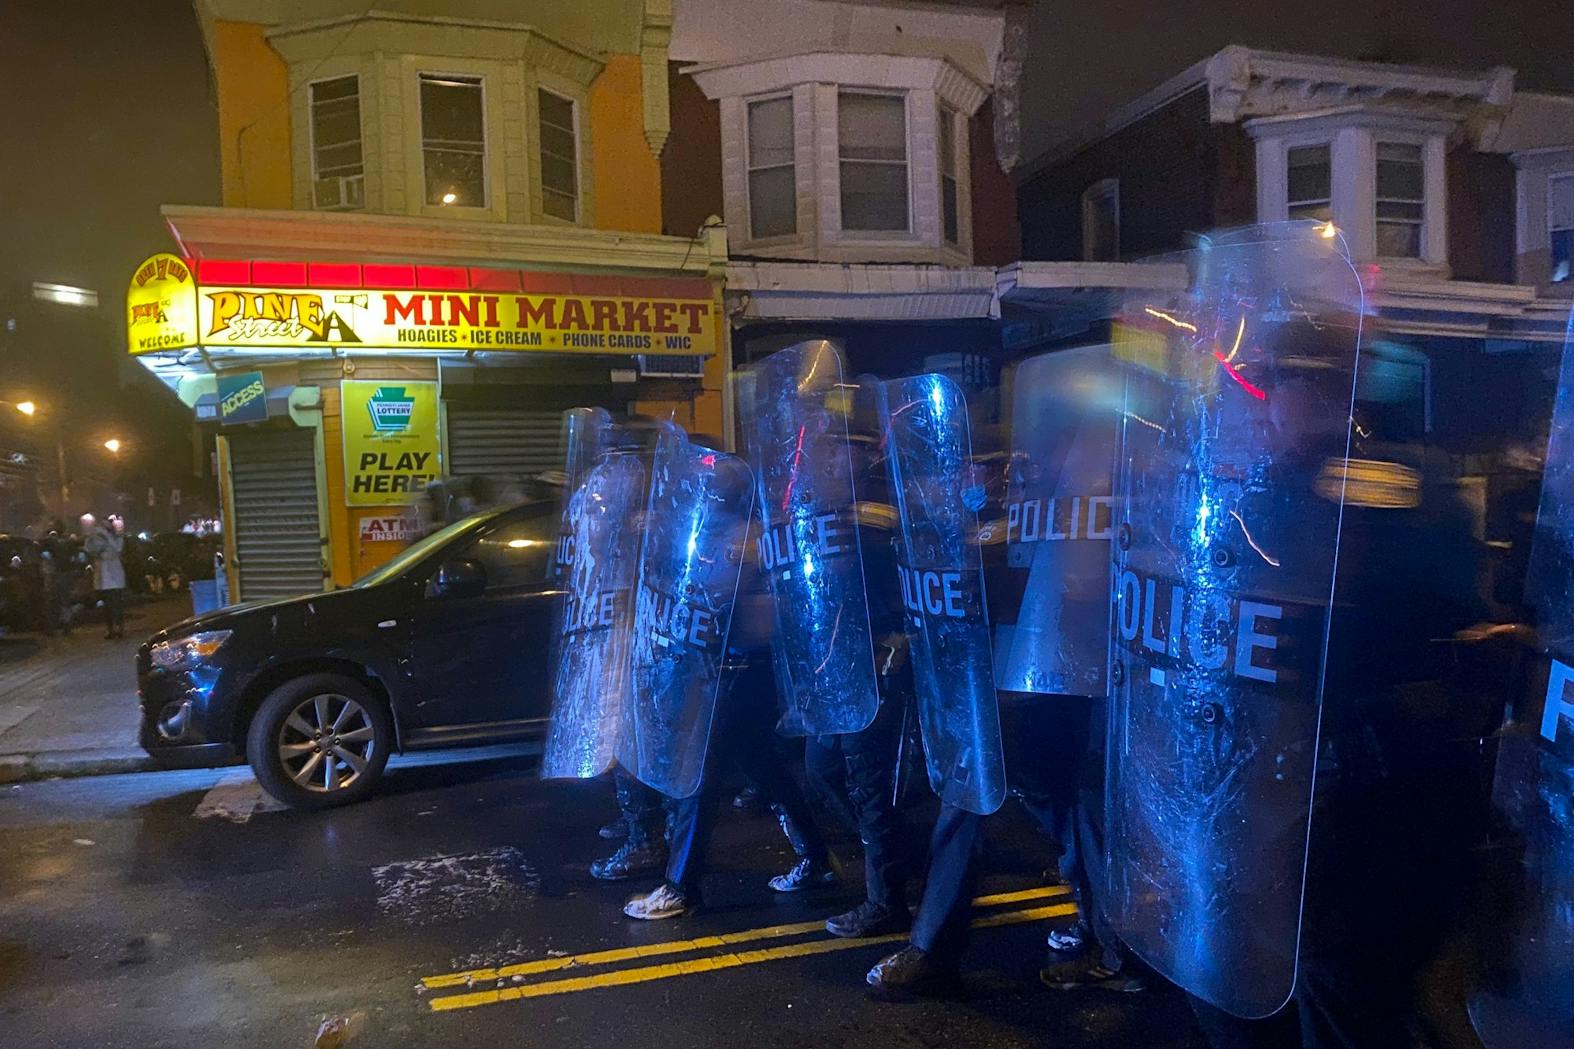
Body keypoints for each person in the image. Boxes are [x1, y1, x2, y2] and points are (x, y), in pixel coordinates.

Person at [623, 543, 835, 920]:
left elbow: (759, 605)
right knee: (759, 764)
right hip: (724, 661)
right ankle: (815, 855)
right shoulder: (716, 525)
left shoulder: (744, 525)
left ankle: (680, 886)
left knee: (699, 768)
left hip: (738, 665)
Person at [81, 513, 127, 639]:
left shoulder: (115, 536)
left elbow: (118, 548)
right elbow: (90, 549)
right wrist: (90, 537)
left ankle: (119, 628)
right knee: (107, 605)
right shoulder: (98, 536)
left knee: (116, 604)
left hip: (114, 575)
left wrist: (109, 536)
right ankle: (111, 629)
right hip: (103, 576)